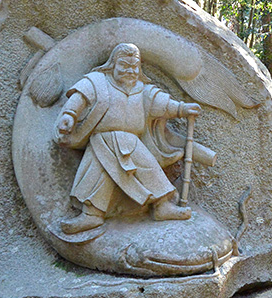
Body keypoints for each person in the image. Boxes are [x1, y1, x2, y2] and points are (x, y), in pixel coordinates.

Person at [55, 43, 200, 234]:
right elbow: (79, 98)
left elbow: (162, 103)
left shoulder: (142, 89)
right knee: (97, 176)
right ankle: (91, 216)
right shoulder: (97, 82)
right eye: (124, 65)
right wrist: (69, 116)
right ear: (113, 64)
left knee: (150, 170)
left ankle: (162, 206)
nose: (130, 70)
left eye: (135, 66)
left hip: (132, 143)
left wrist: (182, 109)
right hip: (102, 142)